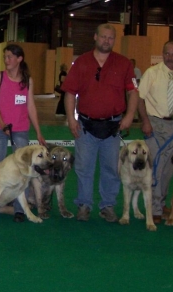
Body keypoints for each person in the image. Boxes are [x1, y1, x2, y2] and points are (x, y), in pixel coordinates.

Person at [61, 23, 138, 222]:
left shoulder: (123, 63)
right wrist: (71, 119)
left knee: (111, 168)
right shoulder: (82, 62)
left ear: (114, 40)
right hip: (86, 125)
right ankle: (84, 204)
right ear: (95, 37)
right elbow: (69, 92)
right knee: (84, 168)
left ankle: (108, 206)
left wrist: (130, 115)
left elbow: (133, 91)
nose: (106, 41)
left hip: (113, 126)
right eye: (103, 37)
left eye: (110, 38)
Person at [137, 41, 173, 223]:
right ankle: (153, 208)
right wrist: (145, 122)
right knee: (155, 166)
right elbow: (140, 99)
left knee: (168, 169)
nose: (170, 57)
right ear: (162, 54)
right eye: (167, 54)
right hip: (155, 124)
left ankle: (160, 202)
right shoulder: (151, 73)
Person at [0, 43, 47, 222]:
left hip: (20, 130)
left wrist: (38, 132)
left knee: (25, 169)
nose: (6, 60)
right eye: (5, 57)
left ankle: (20, 209)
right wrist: (3, 124)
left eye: (10, 57)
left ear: (19, 59)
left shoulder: (27, 81)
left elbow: (30, 107)